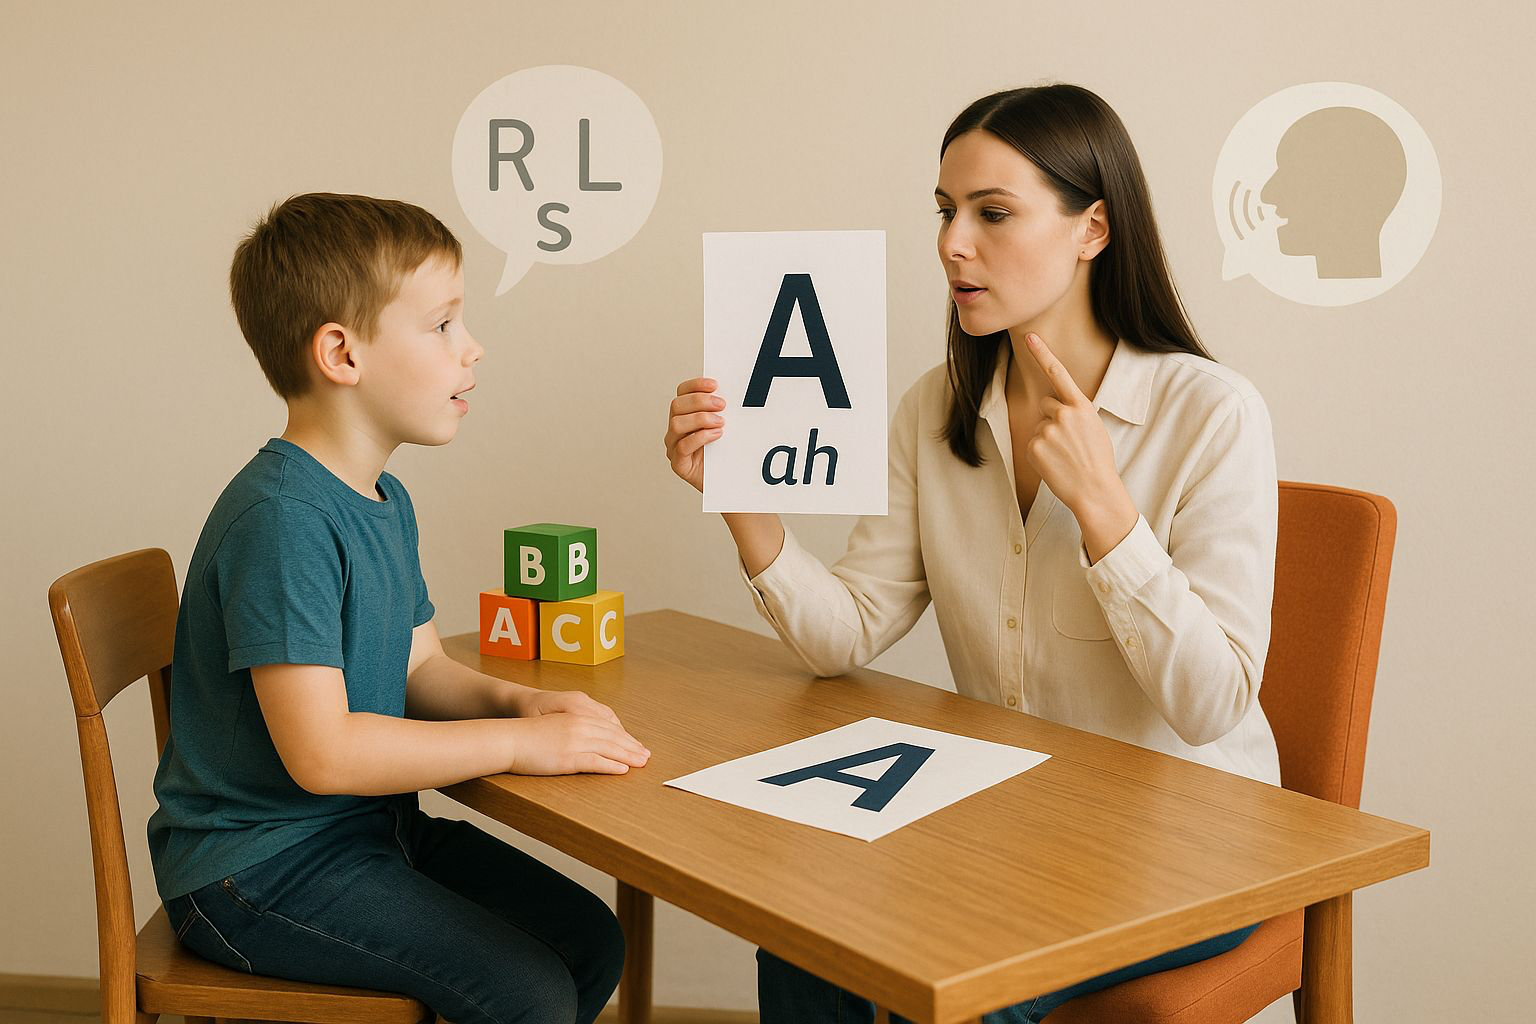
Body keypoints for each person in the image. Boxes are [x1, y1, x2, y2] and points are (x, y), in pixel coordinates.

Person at [663, 84, 1278, 1022]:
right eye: (947, 212)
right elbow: (845, 636)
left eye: (993, 213)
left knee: (957, 986)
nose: (954, 243)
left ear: (1093, 228)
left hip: (1197, 837)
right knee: (803, 932)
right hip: (1009, 821)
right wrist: (741, 498)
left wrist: (1108, 511)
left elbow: (1212, 705)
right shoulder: (934, 408)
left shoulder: (1211, 413)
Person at [147, 192, 651, 1024]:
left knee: (588, 939)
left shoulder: (382, 497)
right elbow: (325, 755)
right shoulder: (283, 519)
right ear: (342, 354)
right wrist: (526, 743)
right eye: (444, 324)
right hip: (257, 871)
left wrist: (523, 702)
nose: (473, 347)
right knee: (525, 992)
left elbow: (420, 669)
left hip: (365, 833)